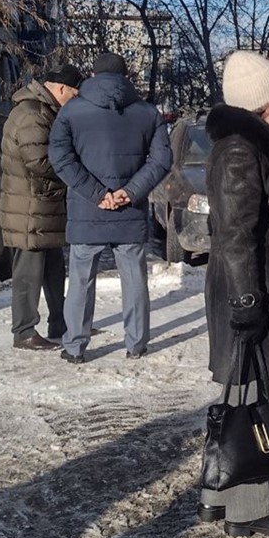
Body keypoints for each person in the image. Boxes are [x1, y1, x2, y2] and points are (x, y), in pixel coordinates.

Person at [198, 50, 269, 537]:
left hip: (258, 283)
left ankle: (217, 497)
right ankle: (249, 511)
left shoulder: (246, 143)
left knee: (246, 387)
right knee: (250, 393)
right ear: (259, 100)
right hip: (252, 286)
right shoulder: (241, 149)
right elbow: (237, 234)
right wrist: (247, 302)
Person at [48, 52, 171, 363]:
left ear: (93, 73)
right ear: (125, 75)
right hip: (129, 211)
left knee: (80, 280)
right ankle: (136, 344)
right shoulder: (147, 112)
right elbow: (161, 161)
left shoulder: (72, 111)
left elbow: (61, 158)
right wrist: (129, 192)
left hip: (87, 210)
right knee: (134, 279)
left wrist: (97, 194)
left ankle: (75, 346)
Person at [0, 64, 84, 352]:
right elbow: (39, 162)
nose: (75, 99)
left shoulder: (42, 111)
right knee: (29, 272)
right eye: (74, 93)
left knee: (53, 270)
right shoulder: (33, 114)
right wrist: (74, 173)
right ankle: (23, 331)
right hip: (31, 209)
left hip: (41, 207)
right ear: (60, 89)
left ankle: (61, 323)